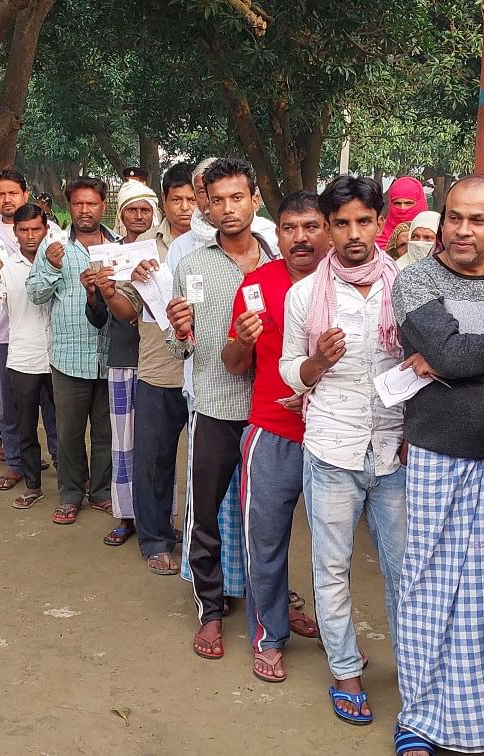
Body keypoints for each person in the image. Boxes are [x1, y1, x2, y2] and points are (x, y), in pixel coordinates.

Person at [390, 175, 484, 754]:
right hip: (438, 454)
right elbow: (449, 352)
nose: (461, 230)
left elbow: (475, 357)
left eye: (478, 220)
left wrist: (461, 356)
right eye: (454, 217)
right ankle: (419, 719)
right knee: (429, 584)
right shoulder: (416, 280)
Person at [280, 175, 406, 726]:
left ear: (380, 223)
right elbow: (290, 369)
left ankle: (415, 670)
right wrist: (316, 364)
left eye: (364, 221)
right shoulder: (306, 295)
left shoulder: (406, 286)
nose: (353, 233)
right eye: (341, 223)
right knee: (331, 567)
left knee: (406, 569)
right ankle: (346, 671)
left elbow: (425, 362)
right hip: (332, 447)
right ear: (328, 229)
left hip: (395, 451)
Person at [166, 158, 277, 661]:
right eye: (218, 200)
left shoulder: (280, 259)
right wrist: (180, 329)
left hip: (274, 410)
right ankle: (210, 609)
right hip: (215, 403)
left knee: (271, 519)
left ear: (255, 199)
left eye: (238, 197)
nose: (229, 208)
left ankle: (273, 604)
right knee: (205, 513)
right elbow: (181, 348)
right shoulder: (192, 265)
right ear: (205, 206)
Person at [221, 190, 327, 683]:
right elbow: (235, 366)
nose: (300, 238)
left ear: (326, 230)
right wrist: (241, 341)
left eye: (310, 227)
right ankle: (270, 635)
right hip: (273, 432)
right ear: (277, 233)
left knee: (335, 549)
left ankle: (337, 636)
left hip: (336, 436)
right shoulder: (256, 286)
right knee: (265, 541)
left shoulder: (348, 286)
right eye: (290, 228)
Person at [111, 163, 194, 567]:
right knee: (155, 458)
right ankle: (155, 539)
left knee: (206, 464)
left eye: (192, 199)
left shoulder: (213, 244)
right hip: (159, 367)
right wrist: (112, 289)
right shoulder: (141, 247)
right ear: (164, 202)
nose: (184, 207)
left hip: (209, 372)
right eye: (176, 199)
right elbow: (127, 311)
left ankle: (200, 541)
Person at [27, 177, 113, 525]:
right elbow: (34, 294)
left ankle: (103, 492)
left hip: (110, 358)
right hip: (69, 356)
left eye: (91, 203)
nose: (84, 210)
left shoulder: (118, 246)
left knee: (107, 432)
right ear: (69, 206)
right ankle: (71, 494)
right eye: (78, 203)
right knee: (69, 432)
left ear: (103, 206)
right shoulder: (55, 246)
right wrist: (49, 266)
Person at [87, 180, 158, 543]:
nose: (139, 216)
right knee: (123, 442)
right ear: (122, 213)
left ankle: (158, 518)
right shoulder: (106, 254)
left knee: (157, 445)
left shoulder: (167, 251)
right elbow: (98, 317)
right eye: (132, 209)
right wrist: (92, 292)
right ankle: (126, 516)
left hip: (160, 361)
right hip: (123, 356)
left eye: (145, 209)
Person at [0, 204, 53, 508]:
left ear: (46, 229)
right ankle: (32, 484)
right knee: (26, 426)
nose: (30, 236)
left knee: (61, 426)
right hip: (23, 358)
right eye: (23, 230)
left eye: (36, 229)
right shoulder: (6, 267)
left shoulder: (56, 261)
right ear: (15, 232)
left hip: (57, 357)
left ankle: (73, 483)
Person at [376, 176, 427, 251]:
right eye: (397, 203)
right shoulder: (377, 233)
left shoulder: (434, 235)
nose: (402, 208)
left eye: (408, 203)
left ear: (420, 204)